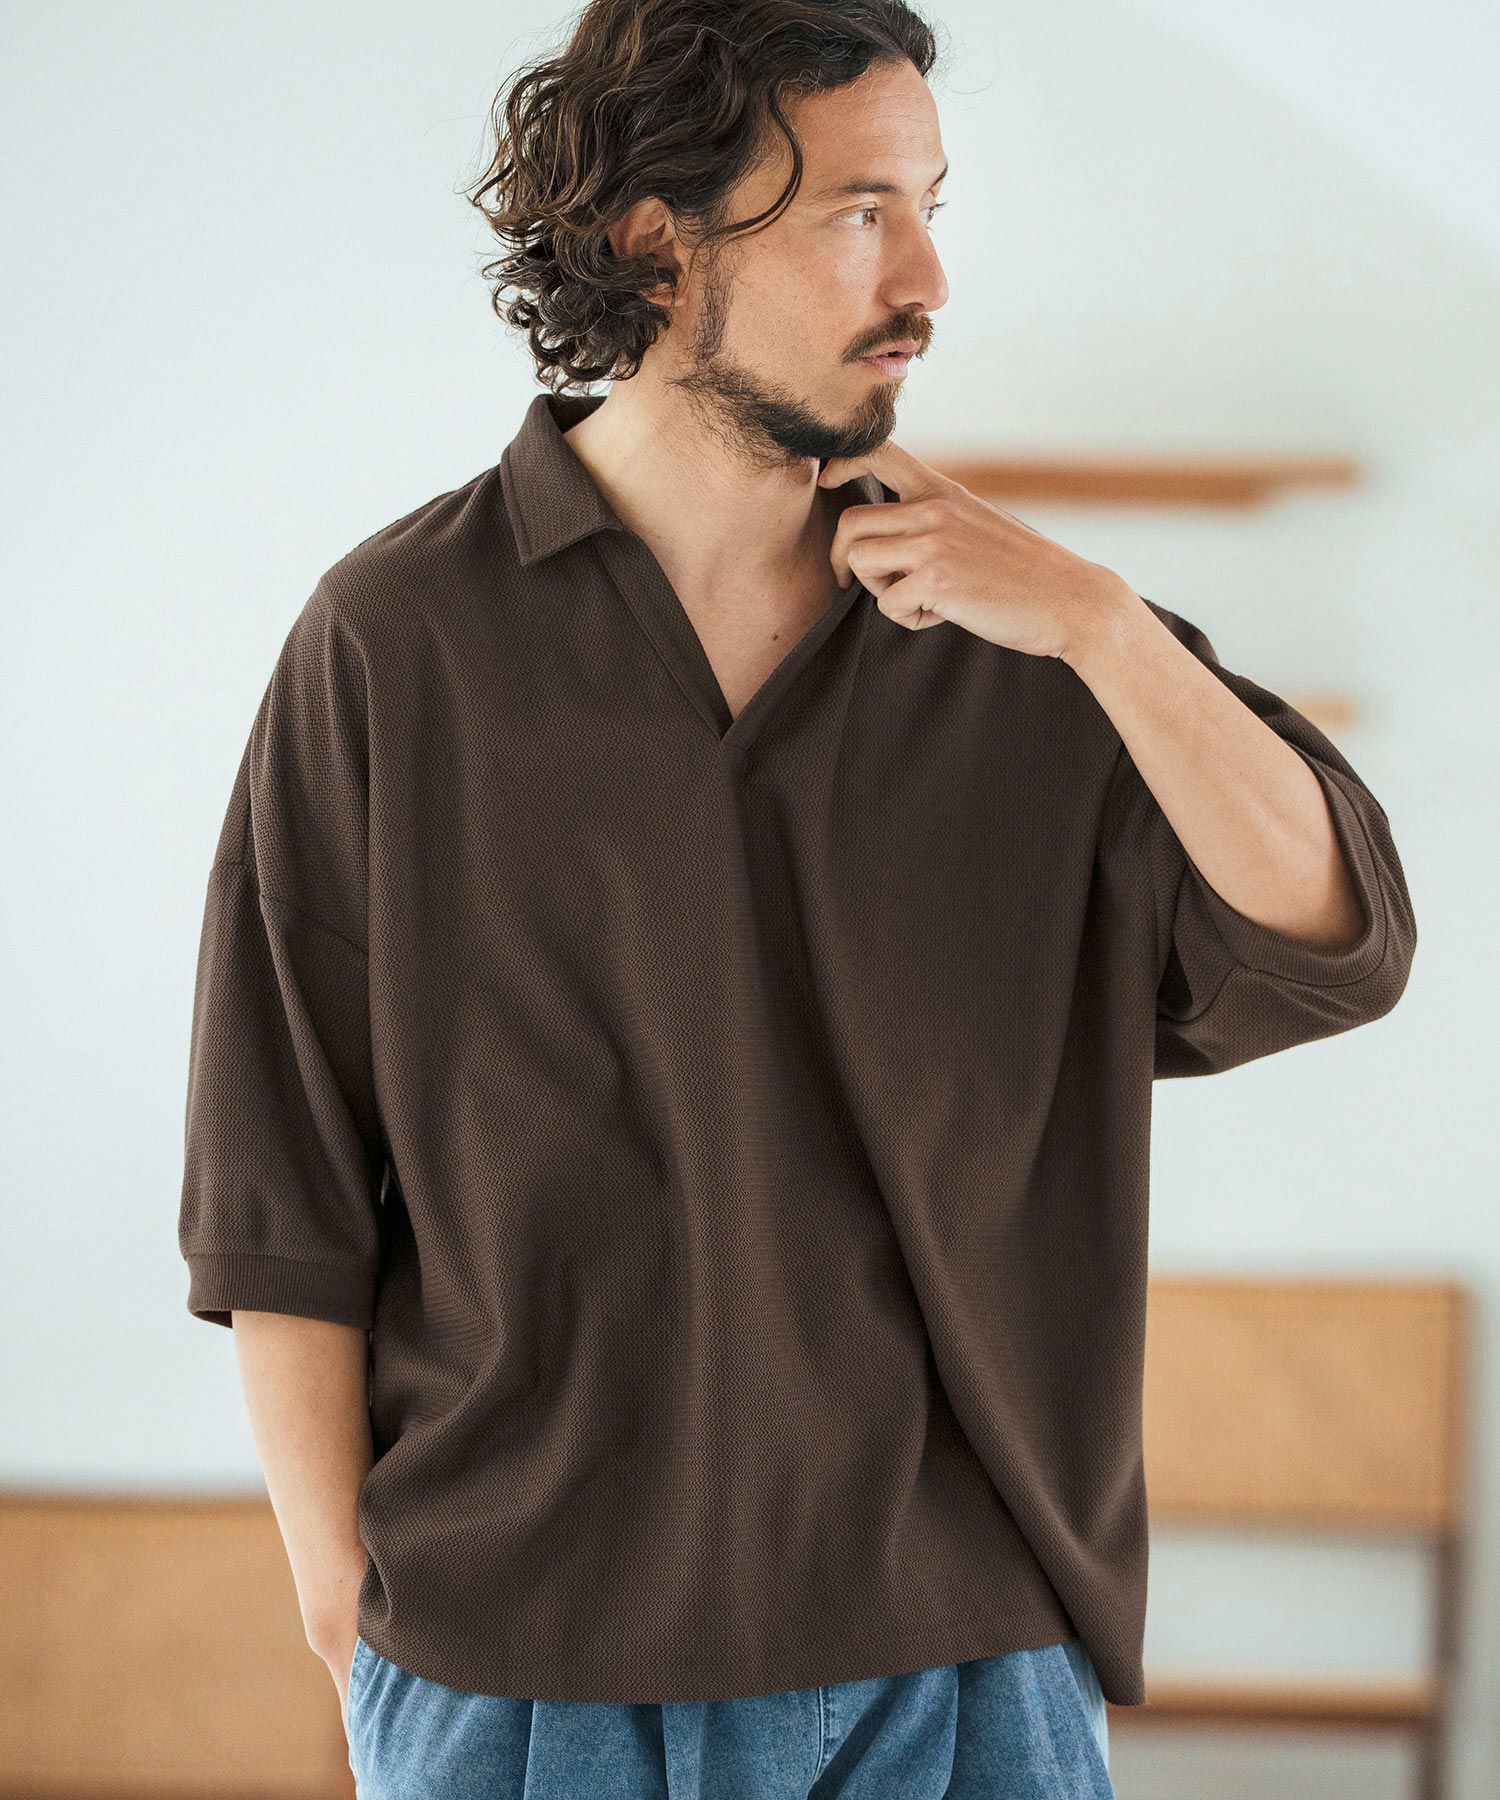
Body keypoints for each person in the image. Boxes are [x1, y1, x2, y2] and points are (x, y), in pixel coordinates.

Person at [176, 1, 1417, 1795]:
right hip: (513, 1668)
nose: (925, 280)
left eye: (932, 207)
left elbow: (1335, 939)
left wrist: (1102, 625)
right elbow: (276, 1172)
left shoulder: (1022, 641)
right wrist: (340, 1596)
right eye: (855, 212)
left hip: (963, 1657)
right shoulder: (396, 641)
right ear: (652, 242)